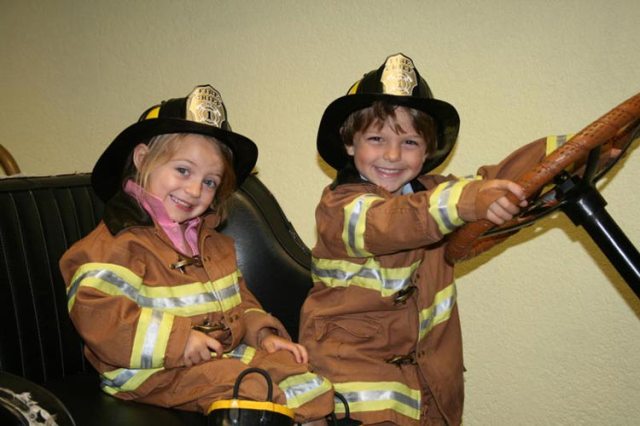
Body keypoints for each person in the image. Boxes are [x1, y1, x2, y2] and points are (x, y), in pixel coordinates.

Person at [60, 84, 333, 424]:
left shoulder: (213, 244)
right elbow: (102, 319)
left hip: (220, 357)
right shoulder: (113, 246)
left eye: (209, 182)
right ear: (142, 159)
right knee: (251, 391)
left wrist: (262, 334)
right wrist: (178, 341)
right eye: (183, 170)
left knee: (302, 376)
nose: (194, 190)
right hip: (148, 371)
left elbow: (241, 302)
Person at [298, 54, 538, 426]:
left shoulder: (437, 196)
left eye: (409, 141)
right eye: (376, 139)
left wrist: (579, 151)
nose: (393, 155)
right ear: (349, 143)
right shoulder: (340, 208)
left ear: (427, 151)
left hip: (431, 389)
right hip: (354, 395)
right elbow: (391, 222)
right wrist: (468, 201)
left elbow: (498, 181)